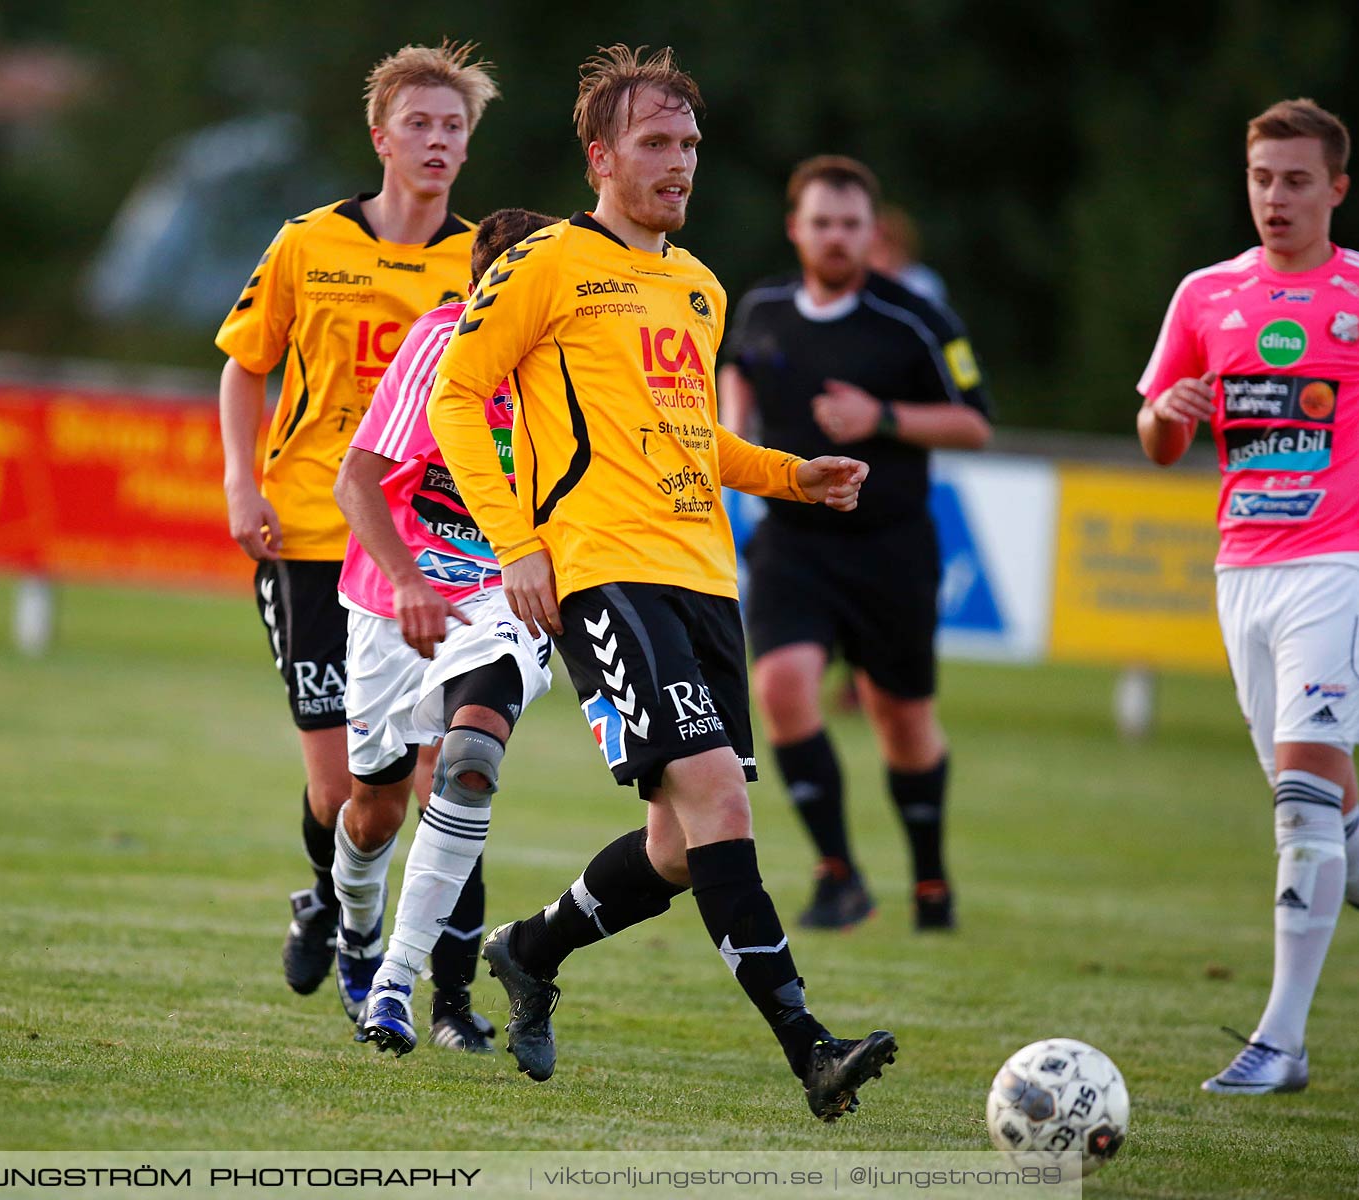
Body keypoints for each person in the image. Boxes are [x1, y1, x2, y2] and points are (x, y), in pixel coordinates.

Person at [427, 45, 895, 1123]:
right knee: (722, 804)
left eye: (689, 144)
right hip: (603, 574)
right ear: (601, 155)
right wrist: (518, 542)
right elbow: (459, 397)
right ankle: (809, 1048)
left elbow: (691, 438)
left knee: (682, 849)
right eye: (655, 143)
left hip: (703, 580)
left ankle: (530, 949)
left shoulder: (697, 285)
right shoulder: (543, 262)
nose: (679, 162)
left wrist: (790, 474)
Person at [215, 42, 499, 999]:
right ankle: (328, 902)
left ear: (467, 147)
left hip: (426, 553)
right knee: (340, 794)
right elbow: (245, 361)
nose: (435, 141)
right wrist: (240, 484)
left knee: (442, 771)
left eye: (452, 127)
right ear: (381, 137)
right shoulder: (308, 243)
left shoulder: (483, 264)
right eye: (418, 124)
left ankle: (446, 994)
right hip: (305, 532)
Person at [1137, 97, 1359, 1095]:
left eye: (1294, 179)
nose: (1274, 197)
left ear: (1336, 188)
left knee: (1301, 806)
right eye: (1261, 178)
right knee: (1338, 828)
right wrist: (1169, 412)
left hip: (1344, 566)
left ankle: (1279, 1043)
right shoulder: (1205, 295)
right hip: (1242, 572)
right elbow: (1157, 442)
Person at [717, 157, 992, 932]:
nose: (835, 238)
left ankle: (931, 882)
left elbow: (975, 422)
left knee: (900, 720)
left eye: (850, 225)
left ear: (873, 232)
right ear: (795, 228)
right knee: (780, 688)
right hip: (794, 543)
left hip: (890, 548)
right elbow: (739, 371)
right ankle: (838, 875)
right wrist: (730, 424)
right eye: (821, 223)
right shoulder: (764, 306)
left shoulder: (915, 318)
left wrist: (884, 418)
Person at [329, 208, 563, 1055]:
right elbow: (355, 482)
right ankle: (354, 923)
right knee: (372, 811)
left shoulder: (570, 362)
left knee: (464, 768)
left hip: (501, 600)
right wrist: (406, 579)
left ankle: (404, 987)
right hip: (394, 601)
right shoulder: (438, 346)